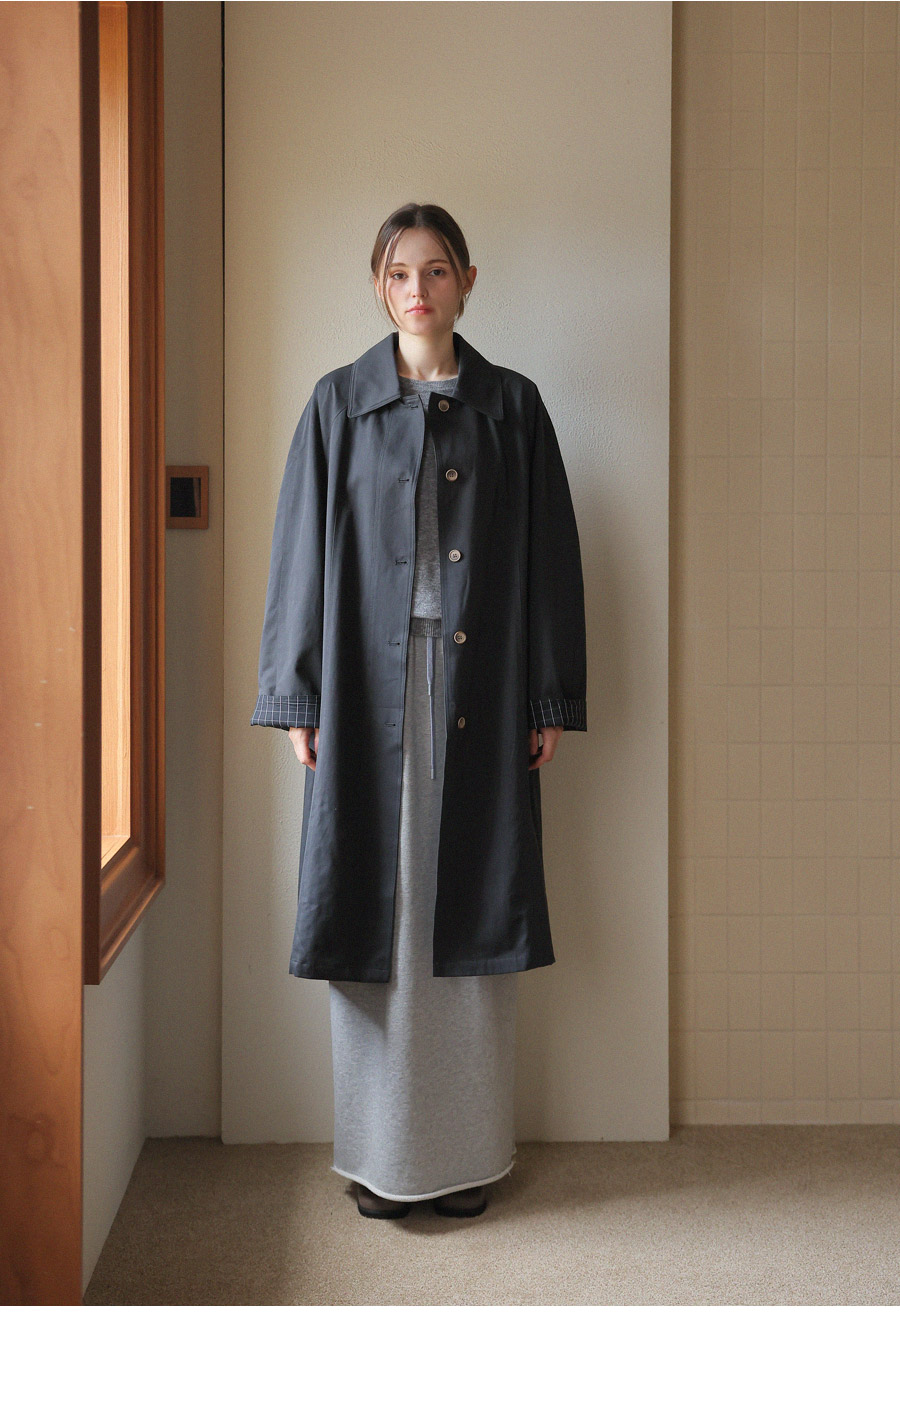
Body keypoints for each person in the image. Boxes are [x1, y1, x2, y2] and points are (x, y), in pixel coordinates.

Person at [251, 203, 587, 1220]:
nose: (418, 291)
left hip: (479, 687)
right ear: (378, 285)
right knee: (378, 914)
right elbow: (300, 556)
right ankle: (379, 1156)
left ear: (467, 282)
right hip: (367, 690)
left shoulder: (513, 408)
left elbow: (549, 561)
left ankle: (467, 1156)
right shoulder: (337, 404)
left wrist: (548, 693)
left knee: (471, 908)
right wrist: (298, 694)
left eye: (436, 271)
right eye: (399, 273)